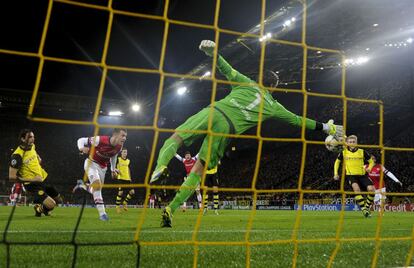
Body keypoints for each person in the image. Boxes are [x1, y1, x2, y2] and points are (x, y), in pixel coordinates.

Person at [151, 40, 343, 227]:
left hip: (214, 111)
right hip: (227, 130)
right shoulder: (273, 106)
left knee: (175, 137)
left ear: (259, 80)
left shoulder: (247, 83)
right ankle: (170, 209)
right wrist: (327, 127)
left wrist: (213, 54)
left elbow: (226, 69)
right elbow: (298, 120)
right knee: (198, 171)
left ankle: (160, 167)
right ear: (273, 87)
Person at [73, 128, 127, 221]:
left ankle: (82, 185)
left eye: (125, 136)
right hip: (91, 163)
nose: (125, 138)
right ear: (115, 135)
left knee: (96, 189)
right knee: (97, 187)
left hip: (103, 168)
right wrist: (81, 148)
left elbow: (113, 156)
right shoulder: (100, 140)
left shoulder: (119, 147)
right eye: (122, 135)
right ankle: (103, 214)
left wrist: (113, 169)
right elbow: (81, 140)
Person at [9, 129, 61, 217]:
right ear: (22, 139)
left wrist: (38, 158)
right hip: (32, 184)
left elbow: (35, 155)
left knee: (59, 200)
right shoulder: (17, 156)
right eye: (29, 137)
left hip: (43, 178)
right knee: (51, 205)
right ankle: (38, 209)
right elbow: (11, 177)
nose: (32, 139)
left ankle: (40, 208)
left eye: (33, 137)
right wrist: (33, 179)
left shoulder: (32, 146)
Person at [333, 135, 375, 217]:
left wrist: (369, 168)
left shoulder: (362, 151)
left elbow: (371, 161)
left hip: (362, 175)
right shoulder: (343, 152)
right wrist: (335, 173)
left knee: (371, 190)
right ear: (347, 143)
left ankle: (366, 207)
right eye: (350, 142)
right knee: (356, 189)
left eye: (353, 142)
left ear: (356, 143)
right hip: (351, 176)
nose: (352, 143)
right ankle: (364, 210)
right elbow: (337, 162)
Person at [114, 149, 135, 213]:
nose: (125, 153)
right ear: (121, 153)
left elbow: (128, 169)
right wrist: (116, 170)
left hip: (127, 178)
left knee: (132, 192)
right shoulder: (118, 159)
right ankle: (117, 207)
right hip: (121, 178)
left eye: (126, 152)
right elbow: (112, 167)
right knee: (120, 192)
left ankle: (125, 202)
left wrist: (130, 177)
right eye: (124, 152)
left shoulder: (128, 161)